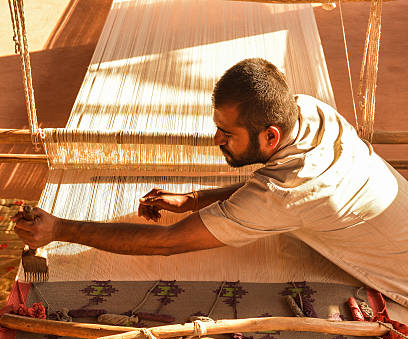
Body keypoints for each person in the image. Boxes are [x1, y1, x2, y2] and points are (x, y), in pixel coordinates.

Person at [13, 58, 408, 307]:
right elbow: (277, 184)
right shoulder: (308, 110)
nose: (216, 139)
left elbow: (168, 244)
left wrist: (60, 229)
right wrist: (194, 198)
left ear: (270, 136)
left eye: (226, 132)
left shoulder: (284, 193)